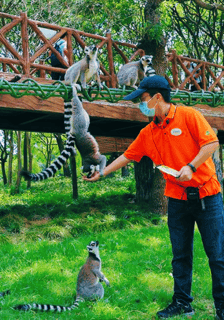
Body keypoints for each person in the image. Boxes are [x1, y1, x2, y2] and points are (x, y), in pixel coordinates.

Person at [83, 75, 224, 320]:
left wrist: (191, 166)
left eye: (143, 98)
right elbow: (128, 156)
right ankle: (182, 303)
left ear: (158, 97)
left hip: (206, 197)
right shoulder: (148, 132)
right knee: (180, 255)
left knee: (218, 255)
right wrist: (102, 173)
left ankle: (222, 307)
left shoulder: (189, 115)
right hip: (177, 200)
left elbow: (211, 143)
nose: (141, 104)